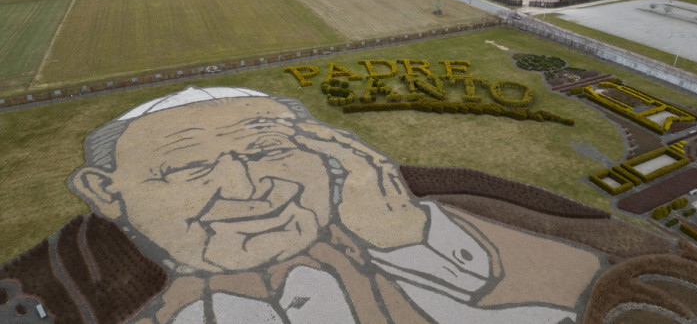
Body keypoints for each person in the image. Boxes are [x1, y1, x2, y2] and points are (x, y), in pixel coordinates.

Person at [2, 86, 604, 323]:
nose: (246, 188)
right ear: (107, 193)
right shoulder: (60, 297)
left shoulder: (420, 225)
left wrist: (407, 234)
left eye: (269, 151)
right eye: (189, 166)